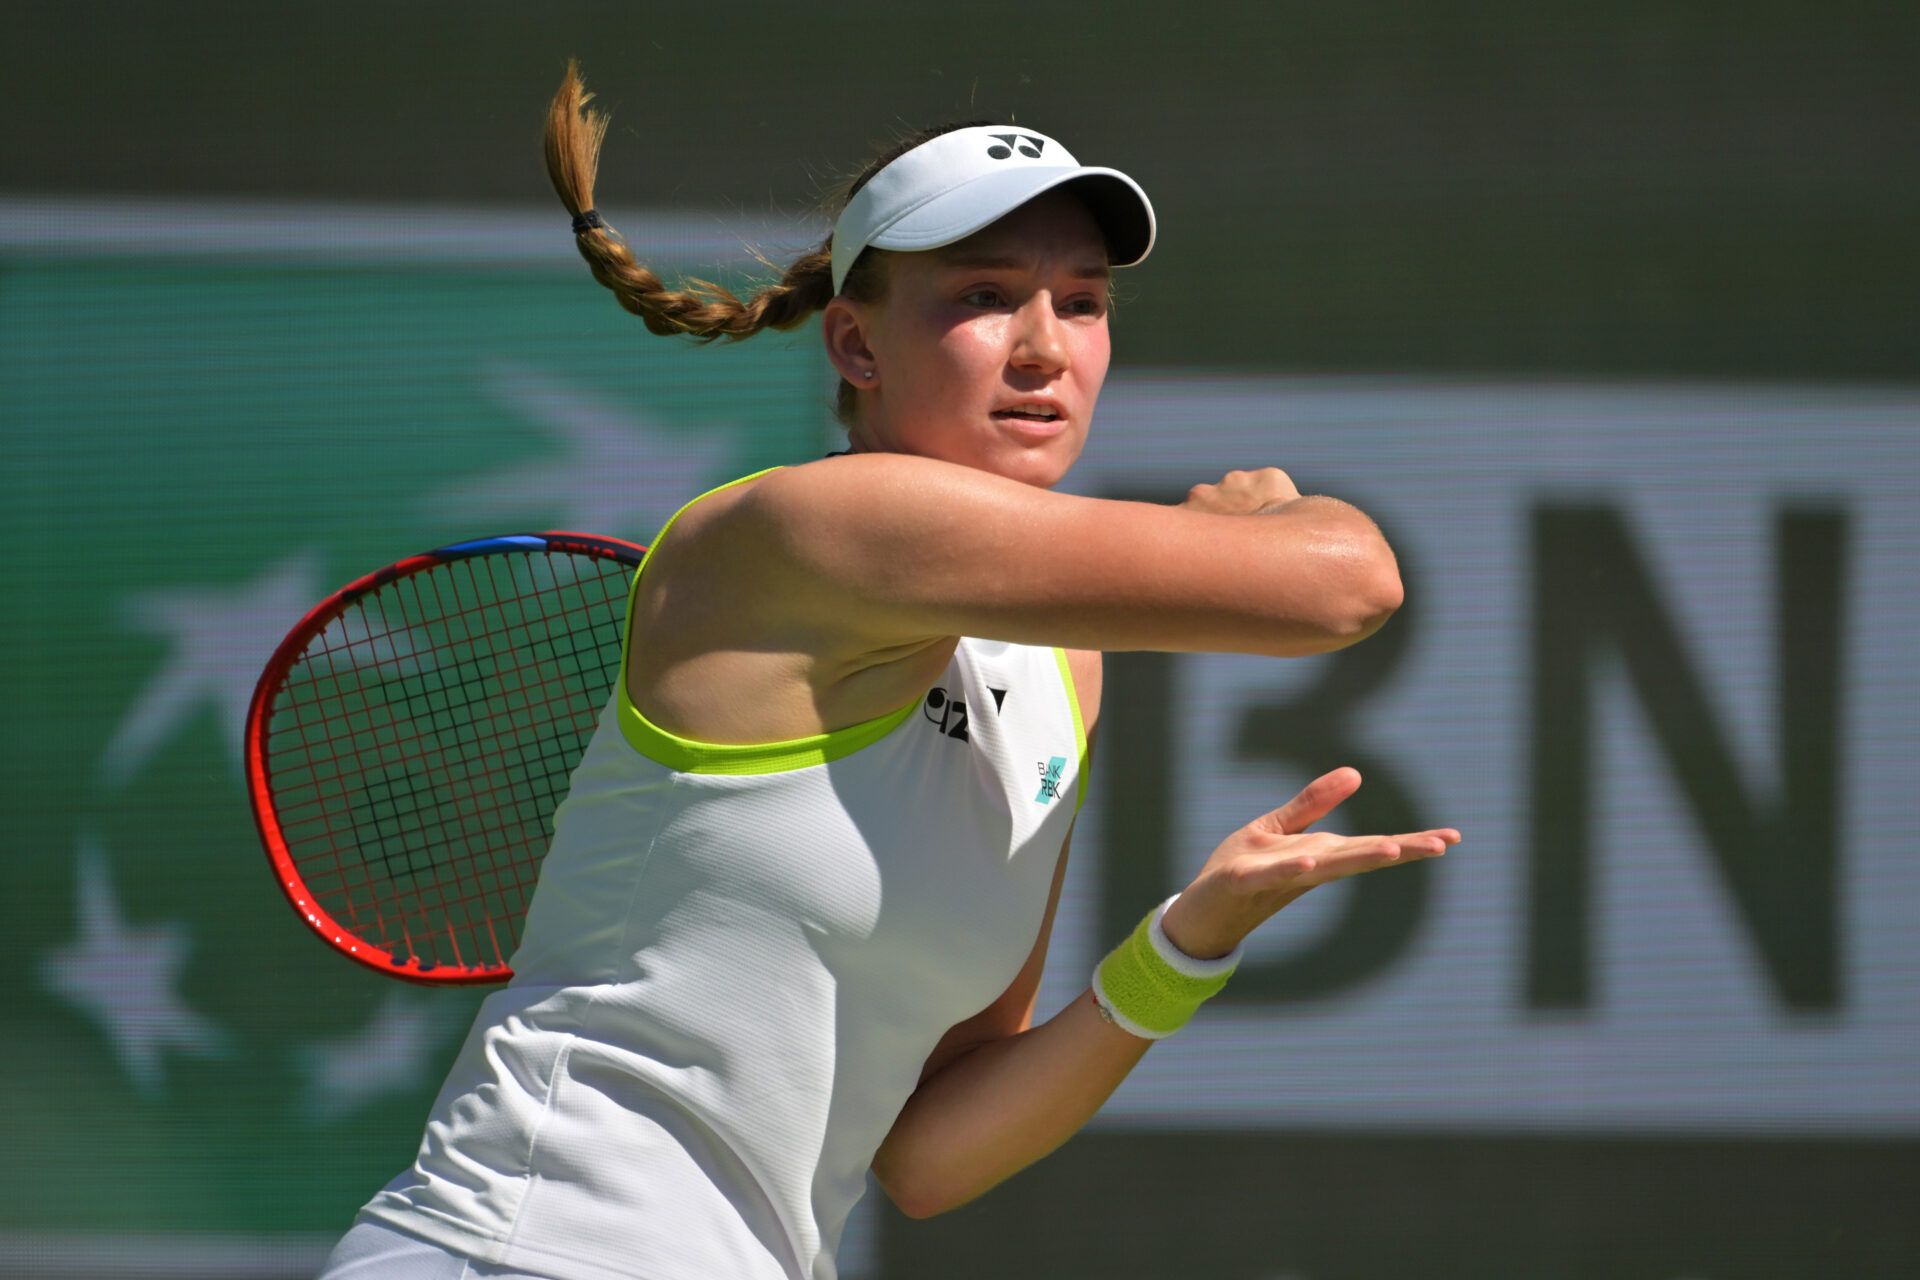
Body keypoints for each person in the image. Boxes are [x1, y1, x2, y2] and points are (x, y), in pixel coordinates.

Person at [317, 61, 1459, 1280]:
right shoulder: (812, 531)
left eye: (1083, 301)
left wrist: (1187, 942)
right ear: (856, 344)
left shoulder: (1064, 662)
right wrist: (1264, 518)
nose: (1043, 348)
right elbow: (1348, 580)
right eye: (984, 295)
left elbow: (931, 1148)